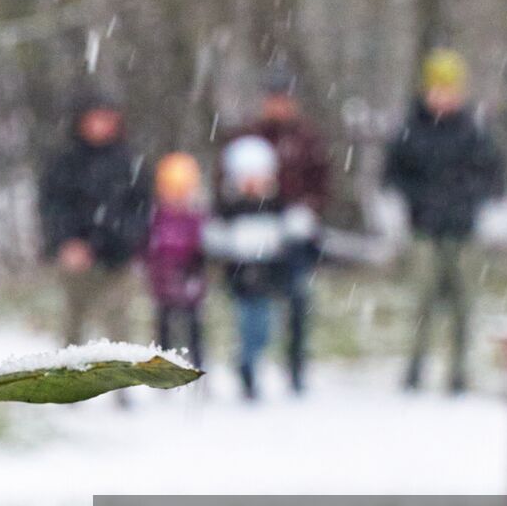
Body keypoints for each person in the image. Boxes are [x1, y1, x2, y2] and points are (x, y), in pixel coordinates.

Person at [383, 48, 507, 395]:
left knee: (463, 304)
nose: (443, 97)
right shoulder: (411, 130)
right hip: (423, 230)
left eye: (450, 89)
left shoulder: (473, 132)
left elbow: (494, 177)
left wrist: (467, 198)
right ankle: (415, 367)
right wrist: (418, 201)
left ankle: (458, 371)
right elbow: (393, 176)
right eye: (438, 89)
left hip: (463, 231)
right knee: (422, 301)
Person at [221, 65, 331, 392]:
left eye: (284, 99)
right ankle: (249, 364)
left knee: (298, 301)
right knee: (254, 307)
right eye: (273, 99)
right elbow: (227, 184)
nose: (279, 106)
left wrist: (306, 211)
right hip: (255, 237)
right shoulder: (248, 137)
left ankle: (296, 367)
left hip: (294, 237)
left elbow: (322, 184)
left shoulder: (307, 139)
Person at [38, 94, 152, 346]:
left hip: (116, 259)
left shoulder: (130, 162)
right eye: (95, 118)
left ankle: (122, 380)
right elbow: (52, 206)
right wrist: (66, 242)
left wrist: (121, 242)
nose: (101, 125)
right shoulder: (65, 162)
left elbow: (140, 210)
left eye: (107, 118)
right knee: (72, 326)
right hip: (75, 259)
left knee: (119, 327)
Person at [205, 136, 313, 400]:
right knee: (251, 326)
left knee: (273, 325)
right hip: (244, 281)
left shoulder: (280, 204)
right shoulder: (227, 208)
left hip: (274, 277)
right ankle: (247, 370)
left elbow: (300, 232)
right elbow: (214, 239)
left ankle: (293, 368)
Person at [143, 152, 207, 368]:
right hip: (162, 281)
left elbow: (204, 247)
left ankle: (197, 366)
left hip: (191, 279)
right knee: (163, 327)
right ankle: (163, 367)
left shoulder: (197, 217)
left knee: (194, 328)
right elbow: (148, 248)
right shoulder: (155, 216)